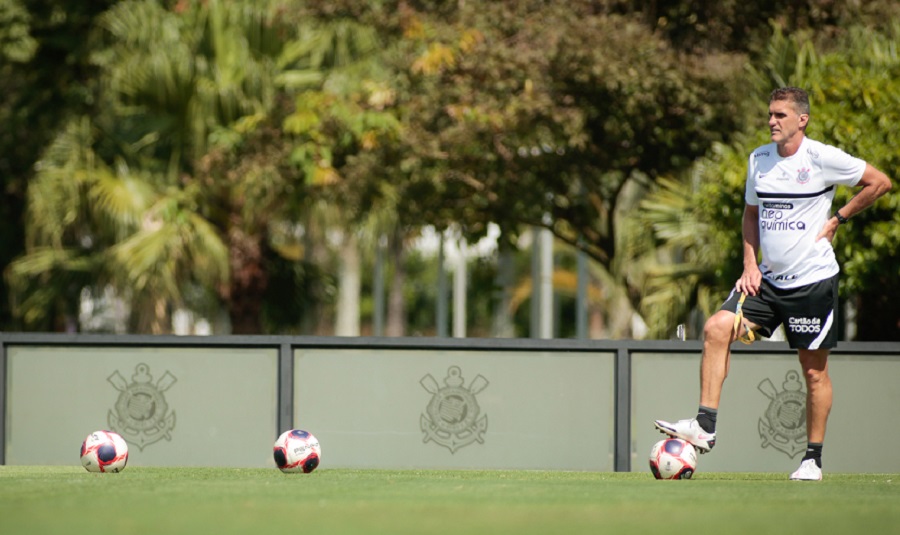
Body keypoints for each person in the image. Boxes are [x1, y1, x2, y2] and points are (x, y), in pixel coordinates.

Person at [654, 86, 892, 481]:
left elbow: (879, 182)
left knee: (813, 372)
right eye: (769, 114)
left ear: (802, 120)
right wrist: (750, 264)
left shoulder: (822, 158)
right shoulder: (758, 160)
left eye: (780, 115)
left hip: (812, 284)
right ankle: (705, 427)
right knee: (716, 328)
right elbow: (750, 215)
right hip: (765, 282)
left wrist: (840, 218)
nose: (771, 121)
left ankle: (812, 459)